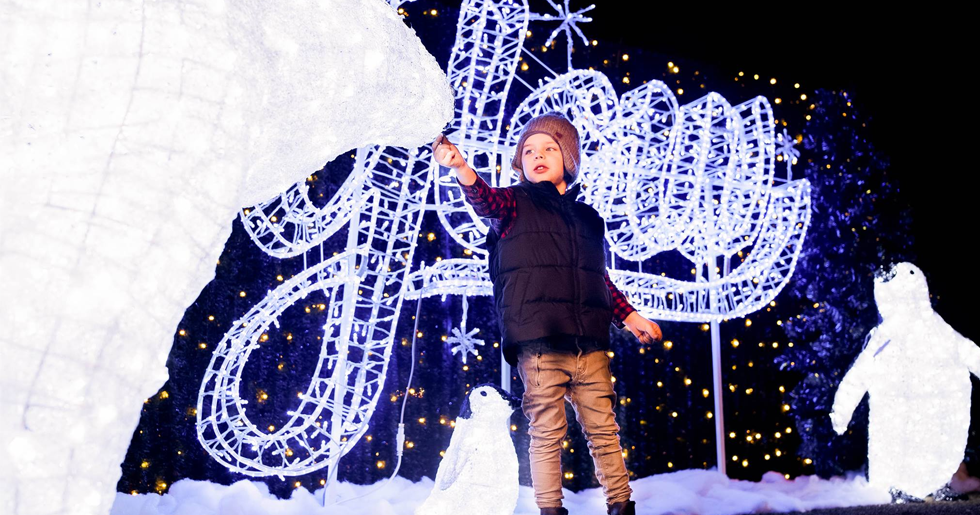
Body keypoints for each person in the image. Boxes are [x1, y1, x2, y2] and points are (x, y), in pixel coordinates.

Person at [431, 112, 662, 515]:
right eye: (529, 150)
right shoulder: (514, 204)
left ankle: (622, 507)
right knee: (547, 433)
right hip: (539, 342)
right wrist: (462, 168)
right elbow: (484, 198)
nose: (537, 154)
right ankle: (550, 511)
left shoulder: (589, 219)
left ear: (568, 160)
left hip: (588, 342)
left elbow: (596, 277)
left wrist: (630, 317)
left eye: (549, 148)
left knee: (605, 432)